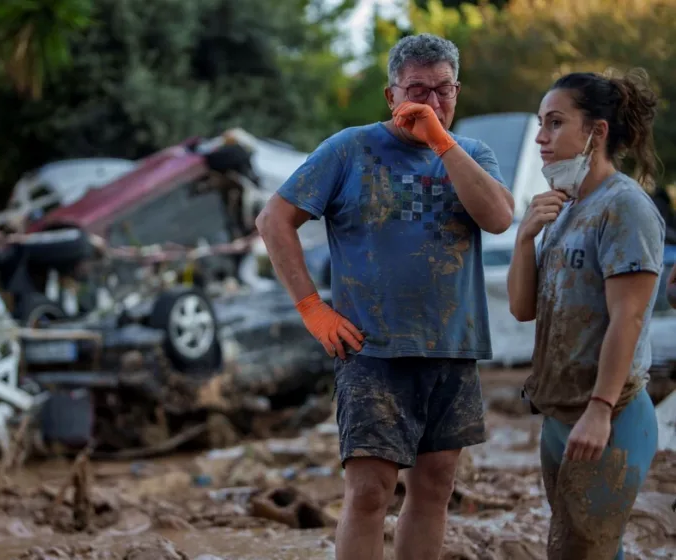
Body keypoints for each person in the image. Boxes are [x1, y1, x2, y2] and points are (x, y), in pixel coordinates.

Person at [255, 33, 514, 560]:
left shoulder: (473, 154)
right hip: (373, 351)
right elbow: (274, 219)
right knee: (370, 491)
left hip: (452, 346)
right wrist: (311, 308)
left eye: (442, 90)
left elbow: (499, 217)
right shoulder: (350, 148)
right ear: (391, 95)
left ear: (457, 92)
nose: (429, 103)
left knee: (435, 487)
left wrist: (443, 142)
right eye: (416, 89)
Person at [507, 68, 665, 560]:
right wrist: (524, 237)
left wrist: (599, 410)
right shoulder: (564, 208)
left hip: (610, 415)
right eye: (541, 123)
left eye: (555, 123)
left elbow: (629, 318)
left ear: (596, 132)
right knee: (574, 550)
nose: (540, 137)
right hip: (560, 415)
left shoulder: (625, 208)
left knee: (586, 552)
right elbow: (522, 308)